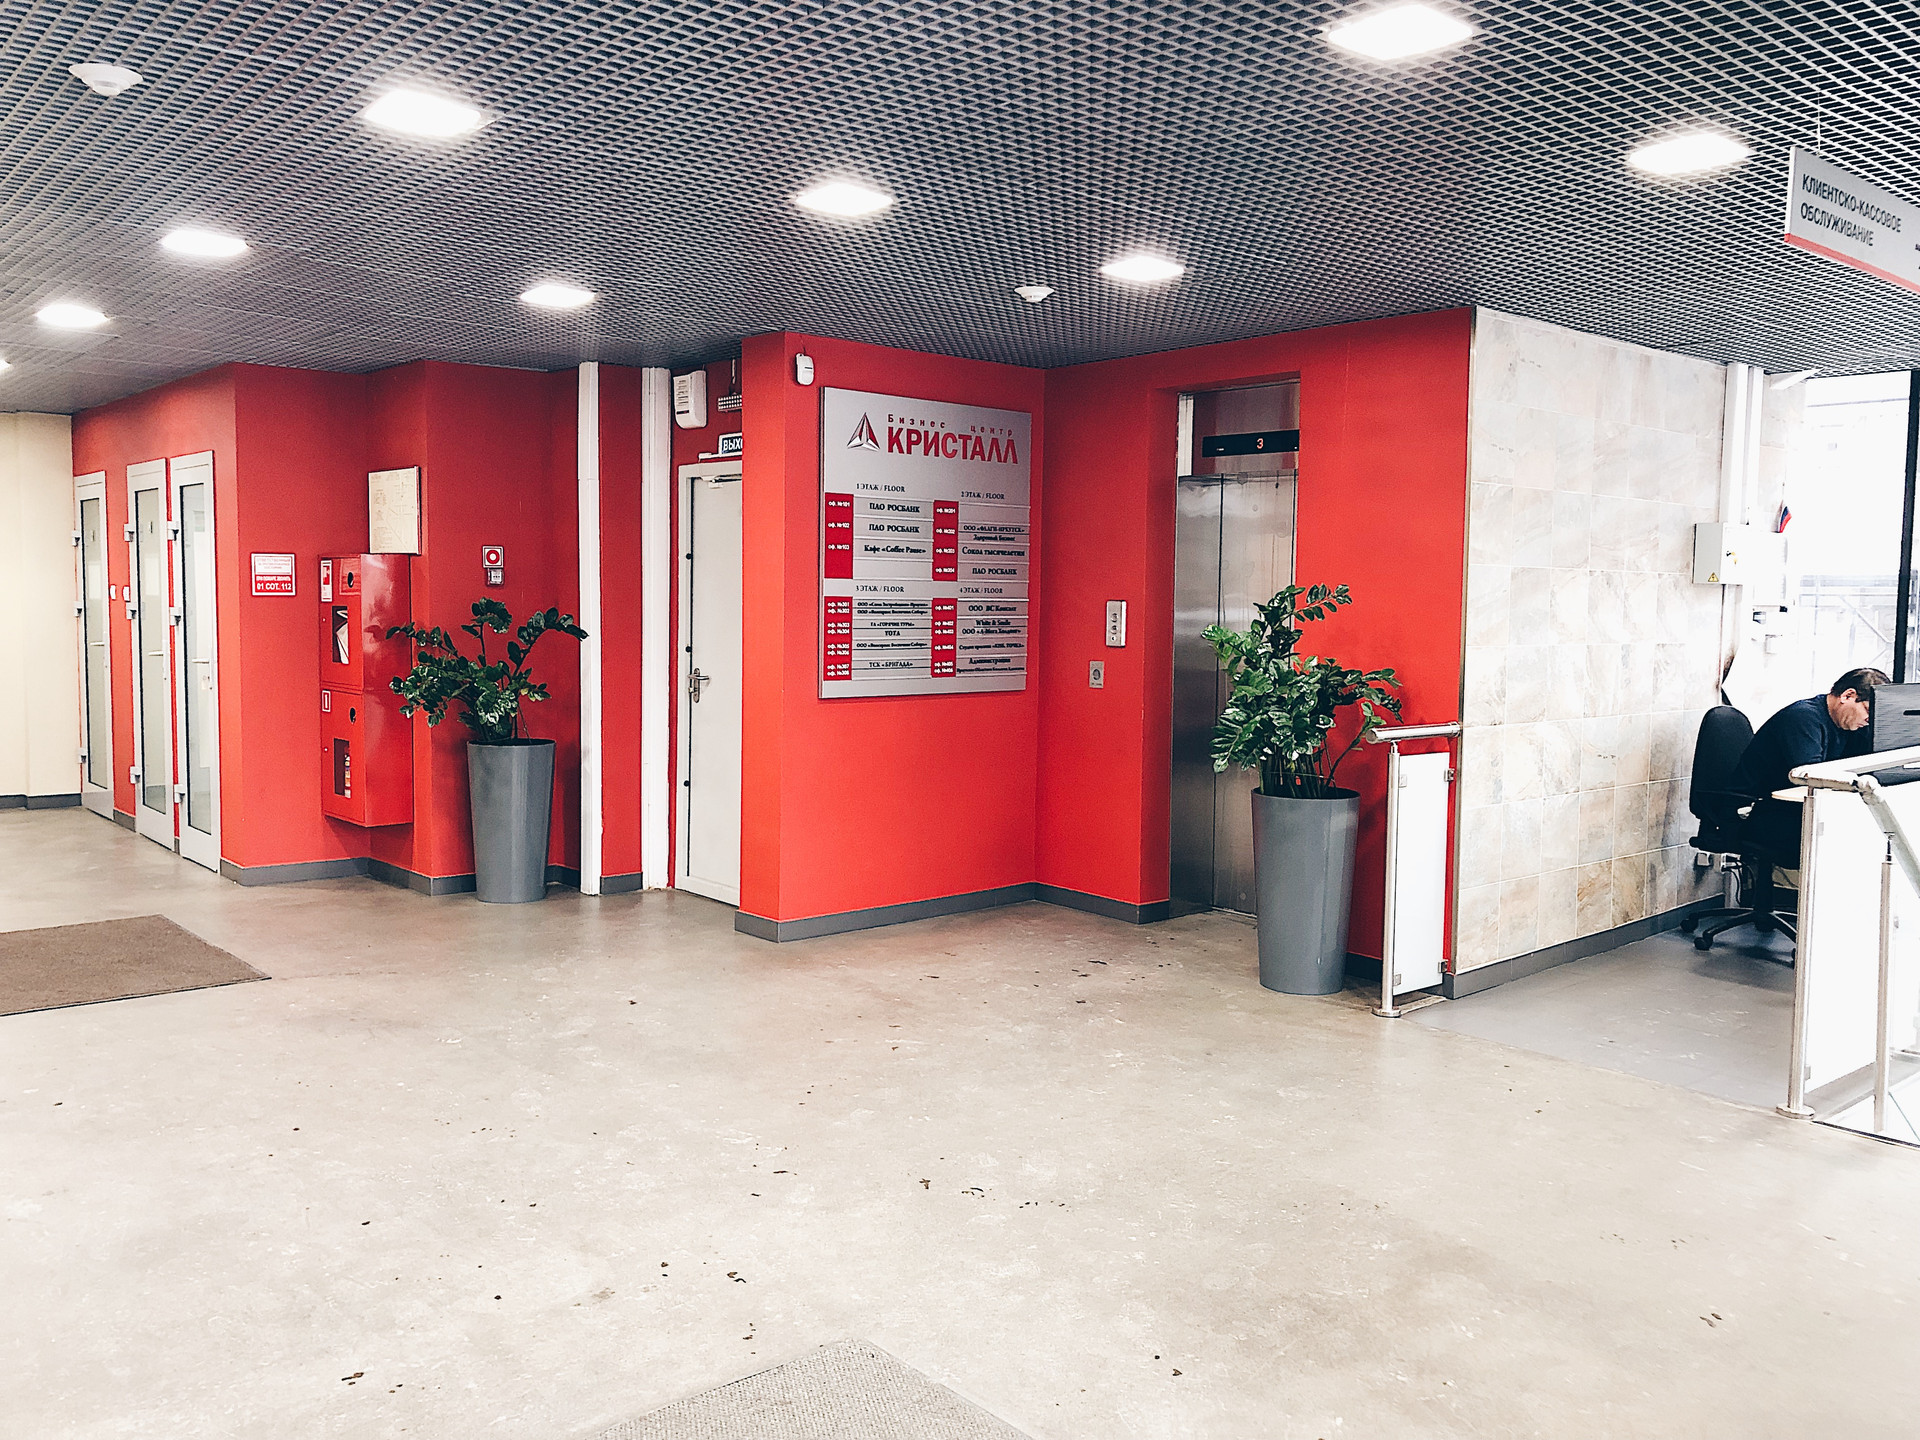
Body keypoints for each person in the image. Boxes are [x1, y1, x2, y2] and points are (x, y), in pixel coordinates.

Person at [1734, 666, 1891, 859]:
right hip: (1762, 812)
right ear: (1847, 696)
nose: (1869, 720)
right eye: (1867, 710)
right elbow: (1812, 779)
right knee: (1851, 845)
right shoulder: (1802, 718)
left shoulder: (1851, 725)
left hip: (1798, 811)